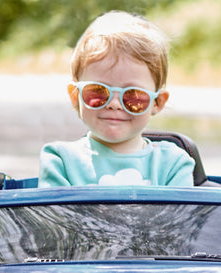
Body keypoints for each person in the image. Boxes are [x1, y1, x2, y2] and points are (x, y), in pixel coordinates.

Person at [39, 11, 195, 187]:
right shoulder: (60, 160)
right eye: (98, 92)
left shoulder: (172, 165)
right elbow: (52, 215)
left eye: (133, 96)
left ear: (157, 102)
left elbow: (180, 215)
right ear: (76, 96)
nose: (114, 104)